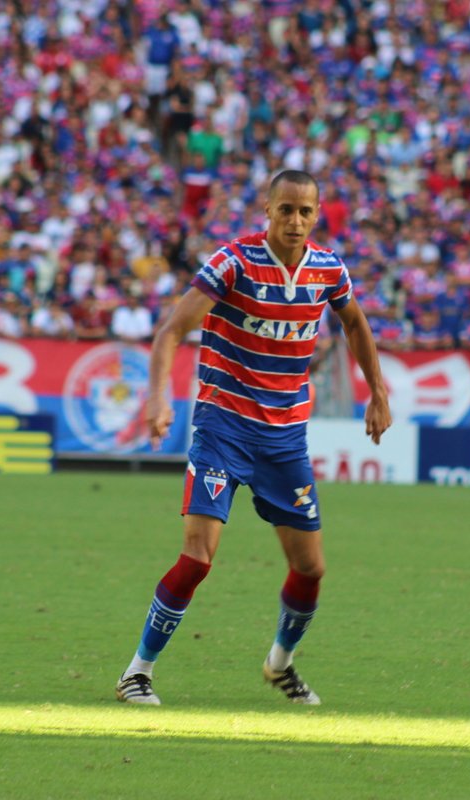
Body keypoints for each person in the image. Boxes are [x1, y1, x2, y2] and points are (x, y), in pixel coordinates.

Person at [115, 170, 392, 706]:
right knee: (198, 557)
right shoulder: (233, 263)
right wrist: (158, 398)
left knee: (310, 568)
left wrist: (377, 392)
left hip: (284, 440)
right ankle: (137, 672)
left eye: (305, 212)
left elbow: (355, 324)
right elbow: (172, 330)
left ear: (317, 215)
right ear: (267, 210)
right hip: (223, 428)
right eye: (285, 209)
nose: (295, 221)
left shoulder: (328, 270)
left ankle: (279, 664)